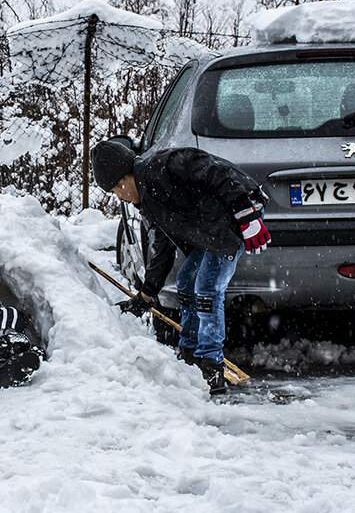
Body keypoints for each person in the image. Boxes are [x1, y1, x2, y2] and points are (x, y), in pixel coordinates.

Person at [91, 140, 271, 394]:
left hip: (236, 215)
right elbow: (162, 248)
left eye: (115, 190)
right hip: (210, 230)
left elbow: (216, 171)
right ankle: (189, 351)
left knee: (207, 287)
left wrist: (246, 214)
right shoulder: (148, 202)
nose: (120, 196)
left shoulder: (163, 165)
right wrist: (148, 293)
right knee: (187, 280)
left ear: (122, 180)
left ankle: (210, 364)